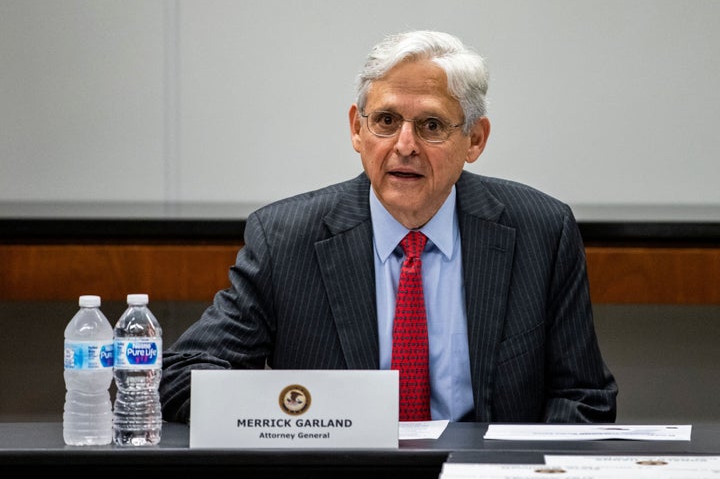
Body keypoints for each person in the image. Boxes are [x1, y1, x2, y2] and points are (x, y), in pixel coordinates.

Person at [159, 30, 618, 424]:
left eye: (431, 125)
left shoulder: (541, 231)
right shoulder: (285, 239)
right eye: (385, 121)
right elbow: (183, 376)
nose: (405, 145)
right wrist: (294, 415)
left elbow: (583, 397)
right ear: (357, 130)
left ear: (474, 140)